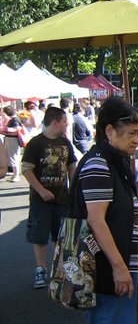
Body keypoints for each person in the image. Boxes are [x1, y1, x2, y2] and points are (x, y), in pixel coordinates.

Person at [76, 97, 138, 323]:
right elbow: (96, 220)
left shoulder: (115, 161)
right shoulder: (99, 164)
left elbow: (128, 218)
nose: (137, 140)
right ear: (109, 131)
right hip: (107, 268)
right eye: (131, 133)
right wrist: (119, 267)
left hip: (122, 262)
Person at [21, 107, 77, 288]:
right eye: (64, 122)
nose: (66, 125)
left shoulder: (65, 143)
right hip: (40, 202)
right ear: (55, 123)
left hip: (62, 199)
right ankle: (40, 269)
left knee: (61, 235)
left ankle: (60, 268)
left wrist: (74, 189)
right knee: (39, 236)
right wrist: (40, 190)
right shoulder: (35, 144)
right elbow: (27, 169)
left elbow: (71, 167)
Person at [2, 105, 24, 182]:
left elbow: (17, 129)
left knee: (13, 157)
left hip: (12, 140)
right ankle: (15, 174)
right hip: (11, 139)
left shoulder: (14, 119)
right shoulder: (15, 119)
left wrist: (6, 129)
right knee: (13, 157)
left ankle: (16, 175)